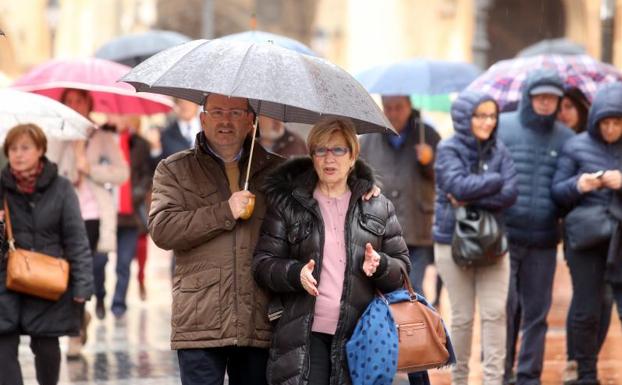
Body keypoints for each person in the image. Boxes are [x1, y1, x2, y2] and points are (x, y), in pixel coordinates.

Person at [253, 116, 410, 385]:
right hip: (304, 333)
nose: (329, 159)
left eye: (338, 149)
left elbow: (403, 269)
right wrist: (295, 273)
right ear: (311, 155)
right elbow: (263, 263)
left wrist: (381, 265)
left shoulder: (377, 206)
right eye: (321, 150)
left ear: (353, 156)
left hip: (359, 335)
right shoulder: (289, 204)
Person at [433, 91, 518, 385]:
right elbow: (455, 184)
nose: (488, 122)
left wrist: (473, 194)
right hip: (451, 242)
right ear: (465, 118)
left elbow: (510, 193)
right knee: (463, 317)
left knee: (495, 315)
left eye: (492, 116)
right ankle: (460, 380)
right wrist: (493, 183)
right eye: (480, 115)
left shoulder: (500, 151)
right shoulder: (448, 149)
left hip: (494, 244)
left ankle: (494, 381)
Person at [497, 69, 574, 385]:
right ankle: (503, 372)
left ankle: (529, 375)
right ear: (529, 96)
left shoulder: (566, 137)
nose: (545, 102)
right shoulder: (503, 127)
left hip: (543, 238)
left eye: (552, 98)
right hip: (504, 237)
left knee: (537, 313)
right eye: (540, 96)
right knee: (505, 309)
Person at [0, 124, 93, 385]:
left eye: (25, 148)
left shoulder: (61, 187)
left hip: (46, 281)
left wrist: (83, 286)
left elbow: (76, 240)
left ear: (41, 150)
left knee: (46, 349)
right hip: (5, 281)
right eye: (13, 148)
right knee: (3, 349)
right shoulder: (1, 187)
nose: (18, 154)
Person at [552, 82, 622, 385]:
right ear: (595, 122)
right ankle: (586, 373)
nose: (610, 129)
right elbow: (557, 191)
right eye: (604, 123)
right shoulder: (576, 145)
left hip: (620, 240)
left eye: (616, 123)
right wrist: (581, 185)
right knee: (587, 308)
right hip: (586, 242)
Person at [359, 96, 441, 296]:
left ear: (409, 106)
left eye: (399, 107)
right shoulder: (368, 139)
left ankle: (414, 327)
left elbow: (445, 177)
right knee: (383, 288)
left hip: (417, 226)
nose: (393, 113)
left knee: (414, 289)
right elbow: (357, 178)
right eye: (388, 108)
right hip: (379, 229)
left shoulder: (427, 135)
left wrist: (429, 161)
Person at [112, 115, 152, 319]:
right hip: (106, 213)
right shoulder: (103, 140)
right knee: (98, 262)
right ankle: (100, 295)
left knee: (124, 262)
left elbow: (147, 175)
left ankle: (118, 302)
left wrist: (134, 193)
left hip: (130, 214)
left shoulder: (141, 145)